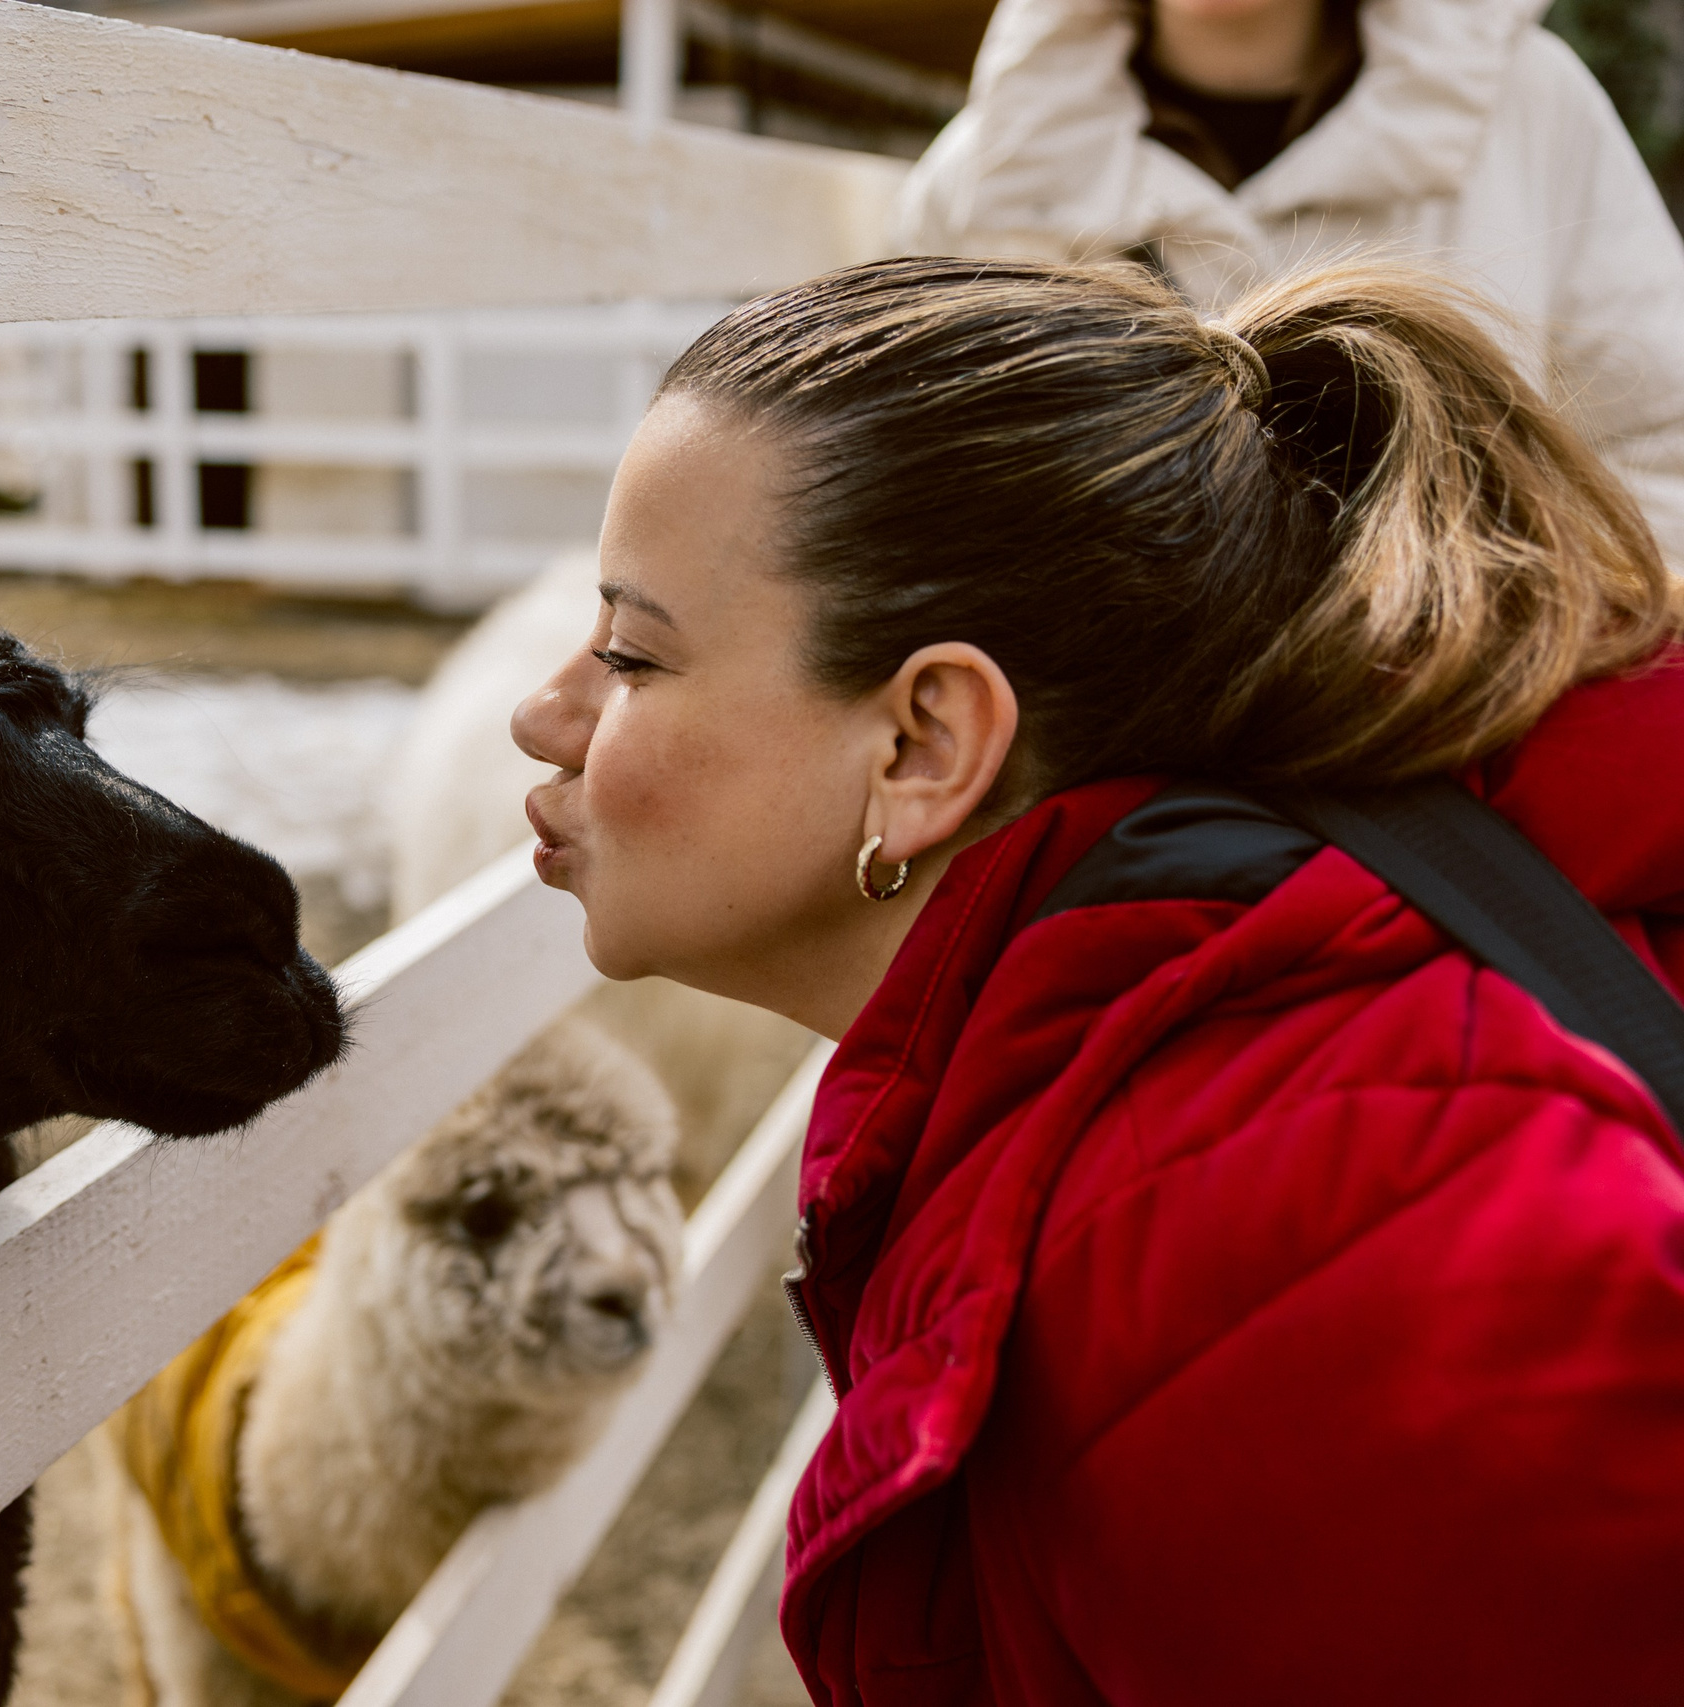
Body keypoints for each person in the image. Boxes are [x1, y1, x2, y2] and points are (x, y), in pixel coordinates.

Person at [510, 255, 1684, 1702]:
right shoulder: (1164, 1095)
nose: (539, 710)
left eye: (631, 651)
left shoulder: (1273, 1244)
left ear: (925, 743)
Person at [896, 0, 1684, 565]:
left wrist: (1524, 640)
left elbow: (1662, 445)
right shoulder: (988, 176)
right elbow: (905, 497)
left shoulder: (1534, 109)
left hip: (1466, 731)